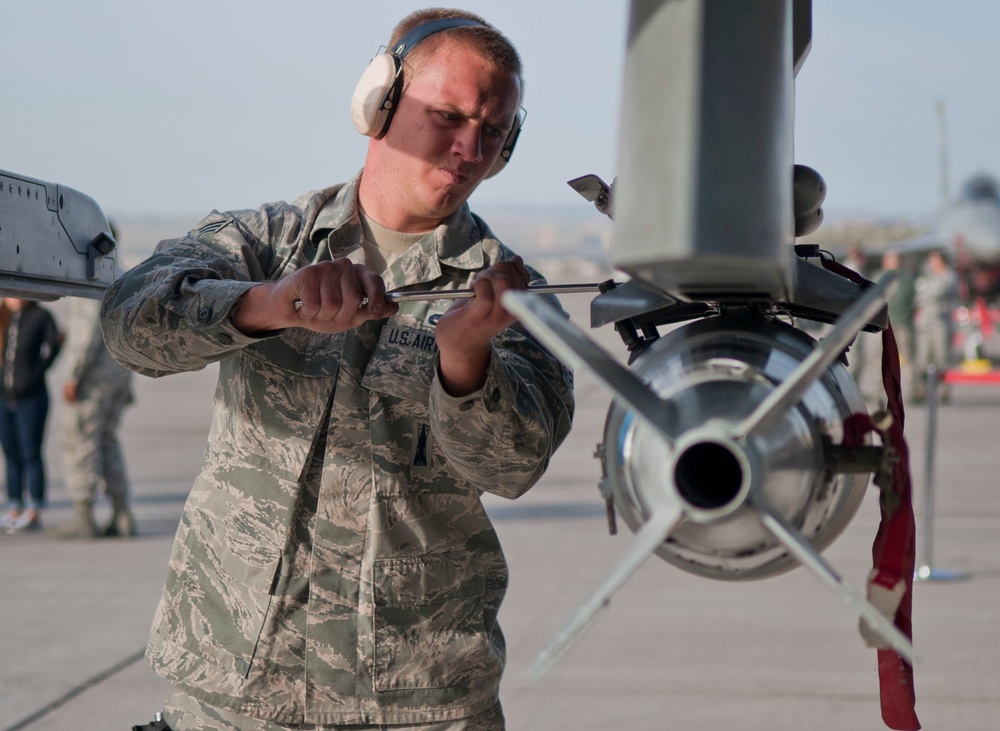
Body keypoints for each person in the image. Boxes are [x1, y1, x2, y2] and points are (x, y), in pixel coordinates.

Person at [102, 9, 574, 731]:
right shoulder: (267, 241)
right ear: (379, 103)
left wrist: (464, 355)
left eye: (495, 130)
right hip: (231, 692)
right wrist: (266, 304)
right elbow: (130, 324)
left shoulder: (506, 296)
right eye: (448, 116)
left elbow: (513, 464)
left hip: (416, 703)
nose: (470, 149)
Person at [56, 294, 136, 539]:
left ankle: (84, 515)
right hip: (118, 373)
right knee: (106, 441)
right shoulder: (116, 276)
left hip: (94, 380)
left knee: (80, 442)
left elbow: (87, 329)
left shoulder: (91, 281)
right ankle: (122, 514)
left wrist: (73, 375)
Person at [0, 297, 63, 533]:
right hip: (4, 398)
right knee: (10, 454)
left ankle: (35, 507)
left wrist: (35, 375)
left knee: (31, 452)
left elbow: (53, 346)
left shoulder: (40, 316)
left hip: (31, 398)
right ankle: (14, 506)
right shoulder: (3, 316)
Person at [914, 249, 960, 402]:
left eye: (934, 260)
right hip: (926, 323)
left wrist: (925, 293)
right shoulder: (928, 277)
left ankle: (945, 391)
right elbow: (918, 294)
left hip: (941, 323)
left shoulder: (949, 276)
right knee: (924, 357)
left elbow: (936, 292)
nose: (931, 264)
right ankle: (922, 390)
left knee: (943, 357)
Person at [876, 249, 917, 402]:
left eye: (895, 260)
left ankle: (908, 393)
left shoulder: (907, 278)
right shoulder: (879, 277)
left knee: (907, 359)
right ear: (884, 262)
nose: (893, 263)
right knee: (880, 360)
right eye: (890, 259)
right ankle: (880, 393)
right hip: (882, 326)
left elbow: (914, 300)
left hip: (902, 324)